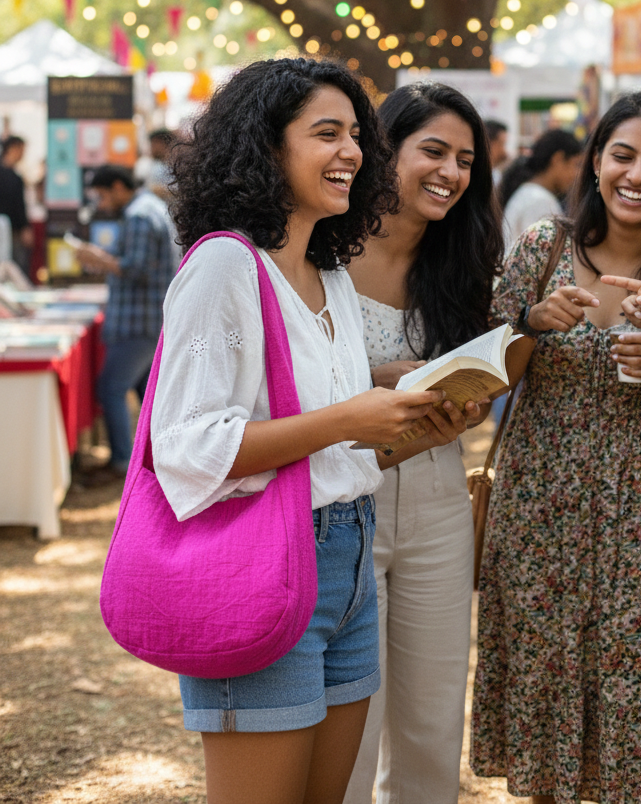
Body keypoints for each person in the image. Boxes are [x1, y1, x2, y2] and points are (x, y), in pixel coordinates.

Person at [152, 57, 471, 805]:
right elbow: (187, 449)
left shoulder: (327, 267)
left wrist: (407, 397)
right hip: (266, 557)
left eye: (357, 135)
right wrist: (349, 417)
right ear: (266, 147)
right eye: (326, 132)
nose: (354, 152)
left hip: (350, 559)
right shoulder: (226, 265)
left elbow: (325, 417)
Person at [471, 91, 641, 804]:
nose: (636, 175)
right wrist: (531, 321)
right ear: (596, 161)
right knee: (548, 684)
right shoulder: (542, 247)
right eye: (623, 155)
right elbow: (488, 375)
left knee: (639, 687)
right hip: (538, 510)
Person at [345, 81, 504, 805]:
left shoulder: (463, 262)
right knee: (352, 717)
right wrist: (385, 376)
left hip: (440, 491)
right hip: (343, 494)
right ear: (386, 150)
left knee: (434, 716)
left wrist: (464, 402)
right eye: (433, 150)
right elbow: (283, 374)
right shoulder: (321, 250)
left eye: (466, 159)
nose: (450, 172)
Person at [76, 166, 176, 480]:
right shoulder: (151, 209)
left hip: (138, 322)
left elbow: (137, 269)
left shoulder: (139, 216)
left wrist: (98, 258)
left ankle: (122, 460)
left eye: (103, 195)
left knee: (111, 388)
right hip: (148, 319)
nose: (102, 204)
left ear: (119, 186)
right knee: (148, 395)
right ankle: (153, 460)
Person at [499, 128, 582, 248]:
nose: (577, 174)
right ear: (558, 159)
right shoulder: (539, 200)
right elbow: (544, 258)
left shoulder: (530, 193)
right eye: (576, 164)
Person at [0, 135, 33, 272]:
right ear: (13, 149)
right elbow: (18, 204)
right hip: (12, 230)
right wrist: (24, 227)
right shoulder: (13, 177)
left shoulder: (15, 175)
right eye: (21, 150)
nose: (23, 154)